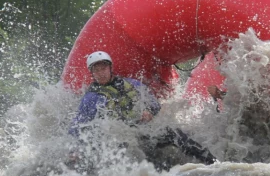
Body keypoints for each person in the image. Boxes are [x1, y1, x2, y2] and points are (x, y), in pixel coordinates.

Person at [70, 51, 217, 166]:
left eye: (103, 68)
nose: (101, 73)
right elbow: (78, 125)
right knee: (147, 159)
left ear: (110, 68)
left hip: (145, 130)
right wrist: (76, 149)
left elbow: (153, 103)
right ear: (92, 73)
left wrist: (149, 111)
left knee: (175, 134)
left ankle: (213, 162)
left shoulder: (132, 84)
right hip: (124, 139)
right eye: (96, 70)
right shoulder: (91, 98)